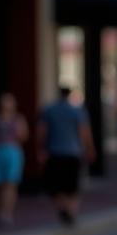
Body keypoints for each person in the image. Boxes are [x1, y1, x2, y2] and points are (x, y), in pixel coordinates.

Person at [36, 85, 95, 226]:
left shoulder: (49, 110)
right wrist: (90, 148)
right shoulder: (77, 111)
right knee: (72, 185)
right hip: (72, 152)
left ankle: (63, 208)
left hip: (55, 152)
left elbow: (41, 132)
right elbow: (84, 131)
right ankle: (71, 210)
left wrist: (41, 149)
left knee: (58, 184)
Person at [0, 92, 29, 227]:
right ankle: (0, 211)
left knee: (10, 184)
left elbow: (24, 136)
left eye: (9, 101)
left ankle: (7, 213)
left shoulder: (18, 119)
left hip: (12, 152)